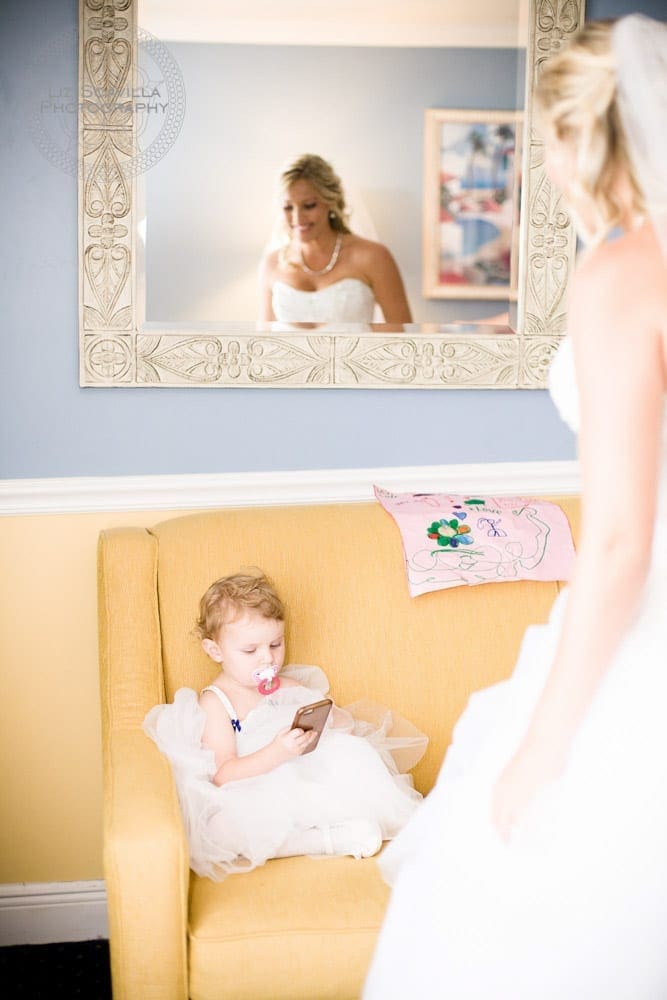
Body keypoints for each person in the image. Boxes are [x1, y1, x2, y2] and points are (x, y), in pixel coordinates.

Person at [364, 15, 667, 998]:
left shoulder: (621, 270)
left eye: (543, 145)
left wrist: (544, 741)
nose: (542, 169)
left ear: (586, 140)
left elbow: (620, 540)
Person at [143, 570, 425, 880]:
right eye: (250, 651)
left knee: (354, 760)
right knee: (218, 831)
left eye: (276, 645)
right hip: (251, 793)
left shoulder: (288, 686)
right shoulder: (217, 702)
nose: (267, 659)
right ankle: (330, 839)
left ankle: (343, 827)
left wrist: (330, 717)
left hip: (305, 785)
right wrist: (278, 751)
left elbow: (343, 725)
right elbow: (224, 774)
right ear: (215, 651)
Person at [258, 153, 412, 324]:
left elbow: (401, 336)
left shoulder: (373, 257)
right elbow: (263, 340)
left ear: (330, 201)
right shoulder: (272, 262)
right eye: (288, 207)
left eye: (309, 206)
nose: (297, 218)